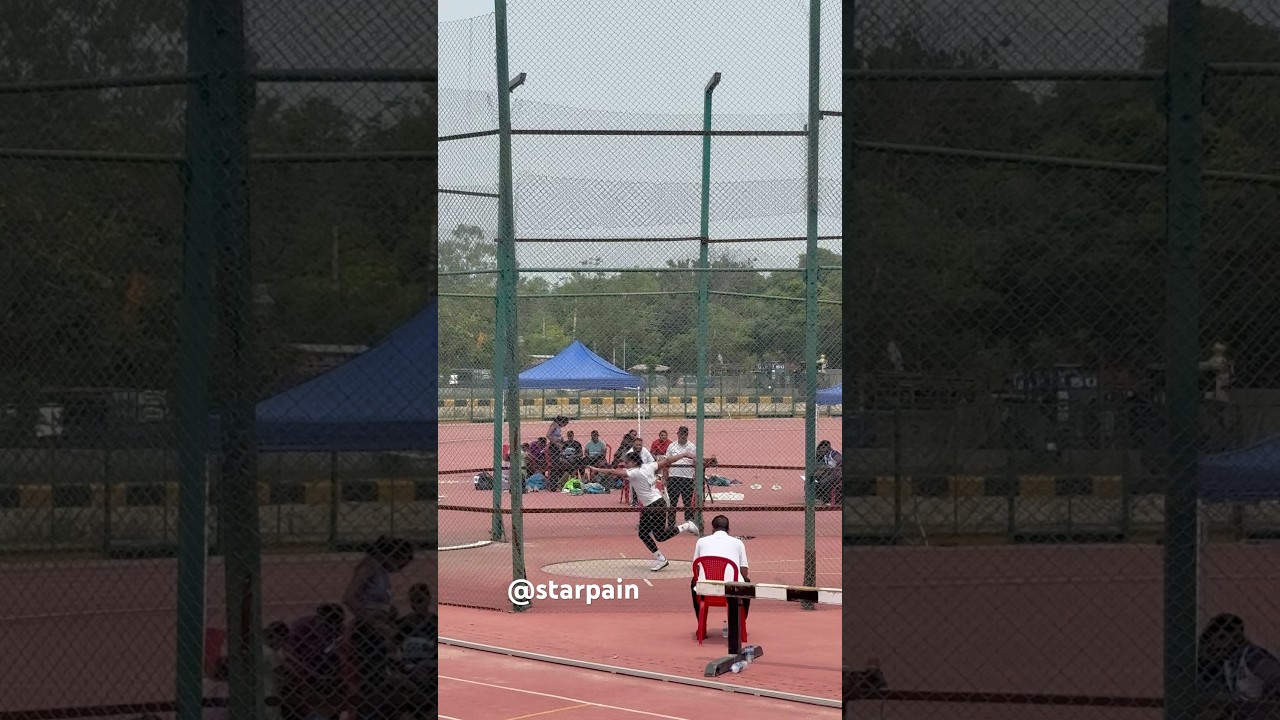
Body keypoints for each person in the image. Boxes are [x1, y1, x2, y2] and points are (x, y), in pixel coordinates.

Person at [587, 451, 700, 570]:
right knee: (651, 534)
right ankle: (662, 557)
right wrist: (684, 454)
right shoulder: (649, 466)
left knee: (653, 535)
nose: (625, 464)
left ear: (634, 462)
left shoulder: (634, 472)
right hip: (656, 504)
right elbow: (667, 461)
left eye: (627, 462)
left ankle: (686, 527)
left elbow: (612, 472)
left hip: (653, 506)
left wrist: (595, 468)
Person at [343, 536, 415, 720]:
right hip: (368, 630)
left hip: (381, 629)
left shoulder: (381, 571)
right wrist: (372, 622)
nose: (400, 569)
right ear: (392, 555)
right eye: (401, 562)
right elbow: (349, 597)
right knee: (371, 679)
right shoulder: (369, 567)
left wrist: (389, 612)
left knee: (383, 676)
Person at [1198, 614, 1280, 718]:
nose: (1216, 644)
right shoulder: (1229, 664)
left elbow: (1275, 677)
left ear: (1237, 636)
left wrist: (1267, 701)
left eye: (1222, 637)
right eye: (1213, 639)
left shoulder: (1252, 656)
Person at [279, 604, 348, 720]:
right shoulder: (302, 626)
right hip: (302, 664)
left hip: (325, 666)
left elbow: (342, 654)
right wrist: (306, 670)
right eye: (327, 625)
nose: (330, 630)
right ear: (319, 618)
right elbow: (287, 651)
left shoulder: (340, 631)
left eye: (334, 626)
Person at [691, 514, 751, 626]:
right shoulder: (738, 543)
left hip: (707, 588)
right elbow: (744, 571)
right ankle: (740, 622)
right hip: (731, 588)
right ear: (728, 530)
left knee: (694, 582)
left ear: (713, 529)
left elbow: (697, 569)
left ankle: (701, 624)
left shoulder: (701, 542)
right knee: (747, 582)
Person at [665, 426, 715, 531]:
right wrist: (665, 478)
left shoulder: (692, 447)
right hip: (673, 477)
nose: (682, 436)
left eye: (685, 434)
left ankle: (690, 524)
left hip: (687, 478)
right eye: (681, 434)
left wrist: (696, 479)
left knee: (687, 503)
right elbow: (666, 461)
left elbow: (697, 463)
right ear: (677, 434)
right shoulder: (671, 446)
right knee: (672, 502)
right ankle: (670, 525)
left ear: (687, 435)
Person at [814, 440, 842, 506]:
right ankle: (817, 497)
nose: (822, 449)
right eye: (820, 448)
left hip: (838, 473)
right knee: (815, 478)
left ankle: (825, 500)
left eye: (824, 447)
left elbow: (840, 460)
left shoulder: (833, 453)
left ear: (828, 447)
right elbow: (827, 467)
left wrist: (834, 470)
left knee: (824, 482)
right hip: (832, 473)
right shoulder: (825, 456)